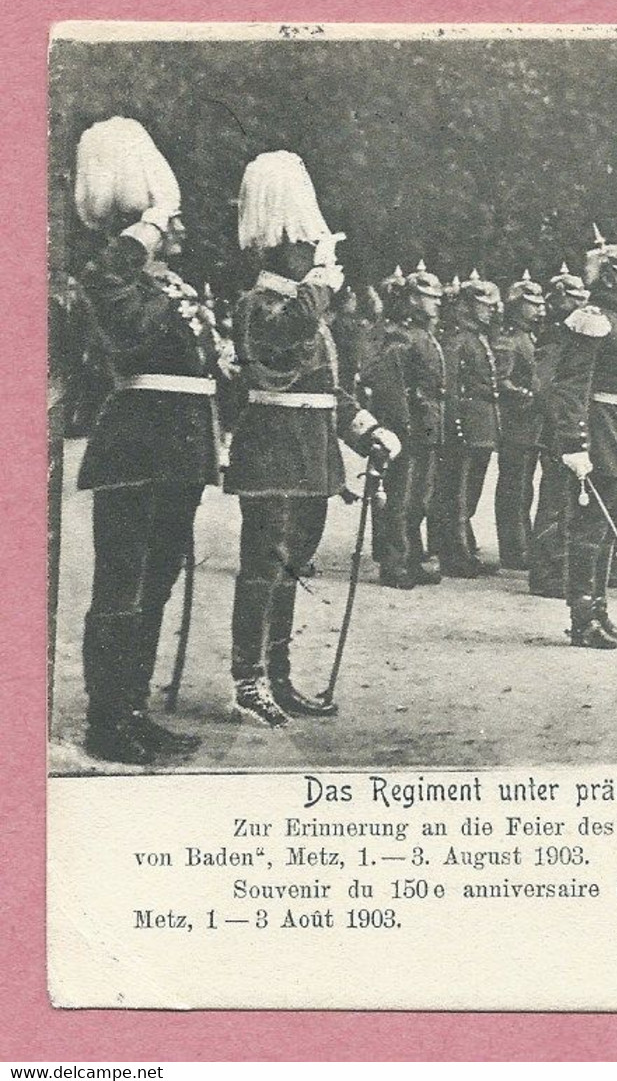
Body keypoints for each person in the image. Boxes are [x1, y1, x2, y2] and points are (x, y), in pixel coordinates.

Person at [226, 151, 401, 725]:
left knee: (293, 568)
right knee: (262, 570)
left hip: (311, 454)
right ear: (281, 247)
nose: (318, 254)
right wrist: (320, 287)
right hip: (273, 453)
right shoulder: (260, 305)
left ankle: (278, 675)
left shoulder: (304, 308)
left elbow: (328, 390)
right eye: (307, 245)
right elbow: (278, 356)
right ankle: (248, 681)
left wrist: (366, 429)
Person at [71, 117, 215, 763]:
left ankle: (133, 708)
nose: (176, 227)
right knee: (122, 590)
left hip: (179, 449)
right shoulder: (111, 276)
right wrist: (148, 223)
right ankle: (106, 721)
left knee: (153, 587)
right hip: (135, 447)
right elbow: (117, 302)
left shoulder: (167, 285)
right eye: (164, 220)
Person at [549, 228, 617, 649]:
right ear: (609, 277)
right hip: (605, 439)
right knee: (591, 531)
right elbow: (570, 386)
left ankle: (600, 613)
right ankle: (582, 620)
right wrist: (574, 444)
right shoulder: (592, 319)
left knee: (609, 534)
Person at [362, 262, 449, 589]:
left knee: (418, 499)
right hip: (408, 428)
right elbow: (392, 389)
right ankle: (394, 562)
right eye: (429, 296)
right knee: (399, 498)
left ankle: (412, 555)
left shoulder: (423, 335)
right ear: (413, 300)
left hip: (426, 426)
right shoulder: (399, 338)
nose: (437, 302)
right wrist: (403, 428)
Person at [527, 263, 591, 597]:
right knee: (554, 501)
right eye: (576, 297)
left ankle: (559, 566)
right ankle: (545, 572)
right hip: (557, 430)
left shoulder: (570, 333)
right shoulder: (555, 334)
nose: (582, 303)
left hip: (567, 426)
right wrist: (562, 427)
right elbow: (546, 387)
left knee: (569, 502)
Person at [436, 271, 503, 577]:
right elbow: (450, 387)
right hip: (465, 426)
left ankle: (461, 545)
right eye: (484, 303)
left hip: (480, 427)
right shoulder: (458, 339)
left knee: (469, 491)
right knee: (457, 493)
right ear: (466, 305)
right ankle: (455, 553)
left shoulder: (476, 337)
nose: (492, 308)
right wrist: (456, 425)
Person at [492, 270, 545, 570]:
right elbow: (500, 381)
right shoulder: (509, 340)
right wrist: (527, 394)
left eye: (539, 302)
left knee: (525, 487)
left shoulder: (528, 337)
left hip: (530, 425)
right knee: (514, 488)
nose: (538, 307)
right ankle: (513, 548)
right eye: (531, 302)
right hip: (516, 424)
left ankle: (521, 543)